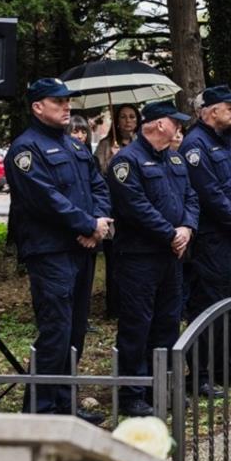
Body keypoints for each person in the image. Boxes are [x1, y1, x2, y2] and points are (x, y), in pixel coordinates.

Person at [4, 78, 112, 421]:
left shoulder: (76, 147)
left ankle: (65, 405)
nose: (67, 107)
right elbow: (46, 201)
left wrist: (99, 224)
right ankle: (40, 410)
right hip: (51, 253)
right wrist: (86, 226)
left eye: (68, 101)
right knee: (56, 330)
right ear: (38, 107)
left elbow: (98, 185)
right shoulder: (25, 150)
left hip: (83, 248)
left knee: (75, 331)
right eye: (58, 101)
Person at [107, 101, 198, 416]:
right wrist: (170, 233)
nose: (179, 129)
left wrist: (187, 227)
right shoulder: (126, 161)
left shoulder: (174, 157)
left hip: (171, 257)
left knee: (167, 322)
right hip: (138, 258)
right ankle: (131, 392)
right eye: (176, 123)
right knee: (137, 325)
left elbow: (191, 196)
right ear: (160, 124)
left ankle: (161, 387)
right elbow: (135, 206)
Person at [181, 85, 231, 396]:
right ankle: (199, 373)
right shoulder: (195, 144)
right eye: (229, 107)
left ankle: (227, 368)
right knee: (209, 306)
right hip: (216, 239)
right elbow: (209, 192)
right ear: (211, 110)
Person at [95, 103, 140, 319]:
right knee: (114, 260)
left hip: (137, 211)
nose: (128, 121)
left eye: (132, 116)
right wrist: (114, 159)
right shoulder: (105, 145)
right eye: (123, 117)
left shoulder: (142, 143)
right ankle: (114, 307)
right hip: (114, 210)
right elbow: (100, 178)